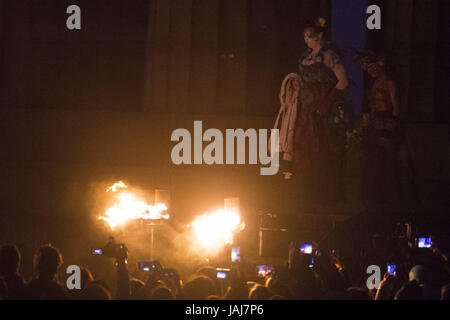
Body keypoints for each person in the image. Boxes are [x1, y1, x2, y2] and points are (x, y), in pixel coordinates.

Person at [292, 17, 350, 208]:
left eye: (311, 35)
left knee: (324, 146)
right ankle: (305, 192)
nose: (307, 39)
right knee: (304, 146)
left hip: (324, 107)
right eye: (305, 36)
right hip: (307, 107)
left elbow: (343, 81)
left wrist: (325, 102)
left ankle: (325, 194)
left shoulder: (328, 55)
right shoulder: (305, 56)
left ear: (320, 35)